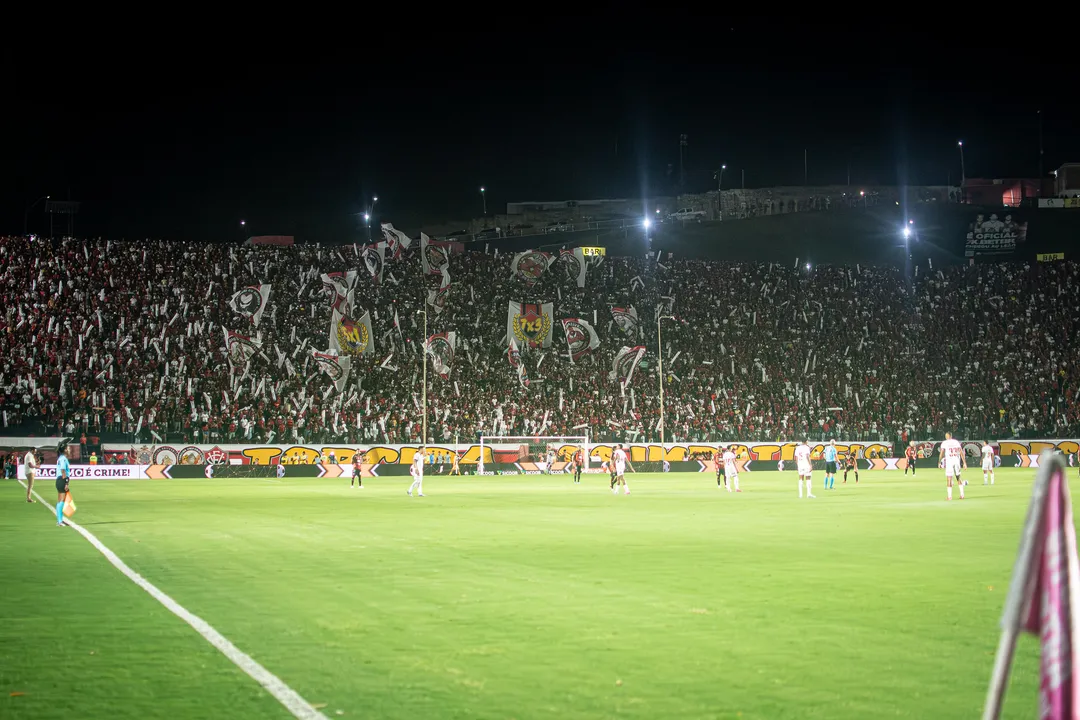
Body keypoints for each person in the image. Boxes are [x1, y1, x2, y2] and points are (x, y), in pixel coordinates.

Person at [939, 432, 967, 501]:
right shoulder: (956, 442)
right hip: (956, 461)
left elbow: (942, 452)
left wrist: (939, 462)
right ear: (951, 436)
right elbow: (961, 452)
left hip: (949, 462)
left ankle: (949, 496)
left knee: (949, 478)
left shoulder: (944, 443)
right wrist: (964, 463)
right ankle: (962, 495)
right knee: (958, 478)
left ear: (947, 436)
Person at [55, 445, 71, 526]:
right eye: (68, 448)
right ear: (65, 450)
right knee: (62, 500)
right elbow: (63, 470)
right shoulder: (63, 459)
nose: (69, 450)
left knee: (61, 500)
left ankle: (60, 519)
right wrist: (66, 482)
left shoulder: (61, 458)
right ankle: (59, 521)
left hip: (59, 479)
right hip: (62, 479)